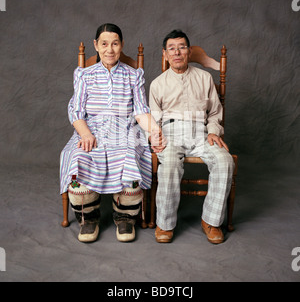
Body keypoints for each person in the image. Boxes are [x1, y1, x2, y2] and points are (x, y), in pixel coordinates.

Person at [60, 23, 165, 243]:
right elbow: (76, 110)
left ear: (121, 45)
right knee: (79, 157)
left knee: (131, 156)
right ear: (96, 45)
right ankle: (88, 217)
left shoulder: (133, 75)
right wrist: (86, 134)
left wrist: (155, 130)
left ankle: (124, 216)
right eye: (104, 44)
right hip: (91, 128)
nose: (110, 49)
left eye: (115, 43)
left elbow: (140, 111)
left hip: (125, 128)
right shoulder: (84, 75)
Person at [149, 30, 235, 244]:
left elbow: (215, 112)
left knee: (224, 161)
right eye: (171, 48)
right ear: (165, 54)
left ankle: (211, 221)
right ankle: (165, 224)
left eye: (182, 47)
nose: (177, 52)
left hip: (201, 133)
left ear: (188, 51)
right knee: (168, 165)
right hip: (170, 133)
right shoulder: (157, 83)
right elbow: (152, 120)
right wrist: (155, 137)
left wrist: (214, 131)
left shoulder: (205, 78)